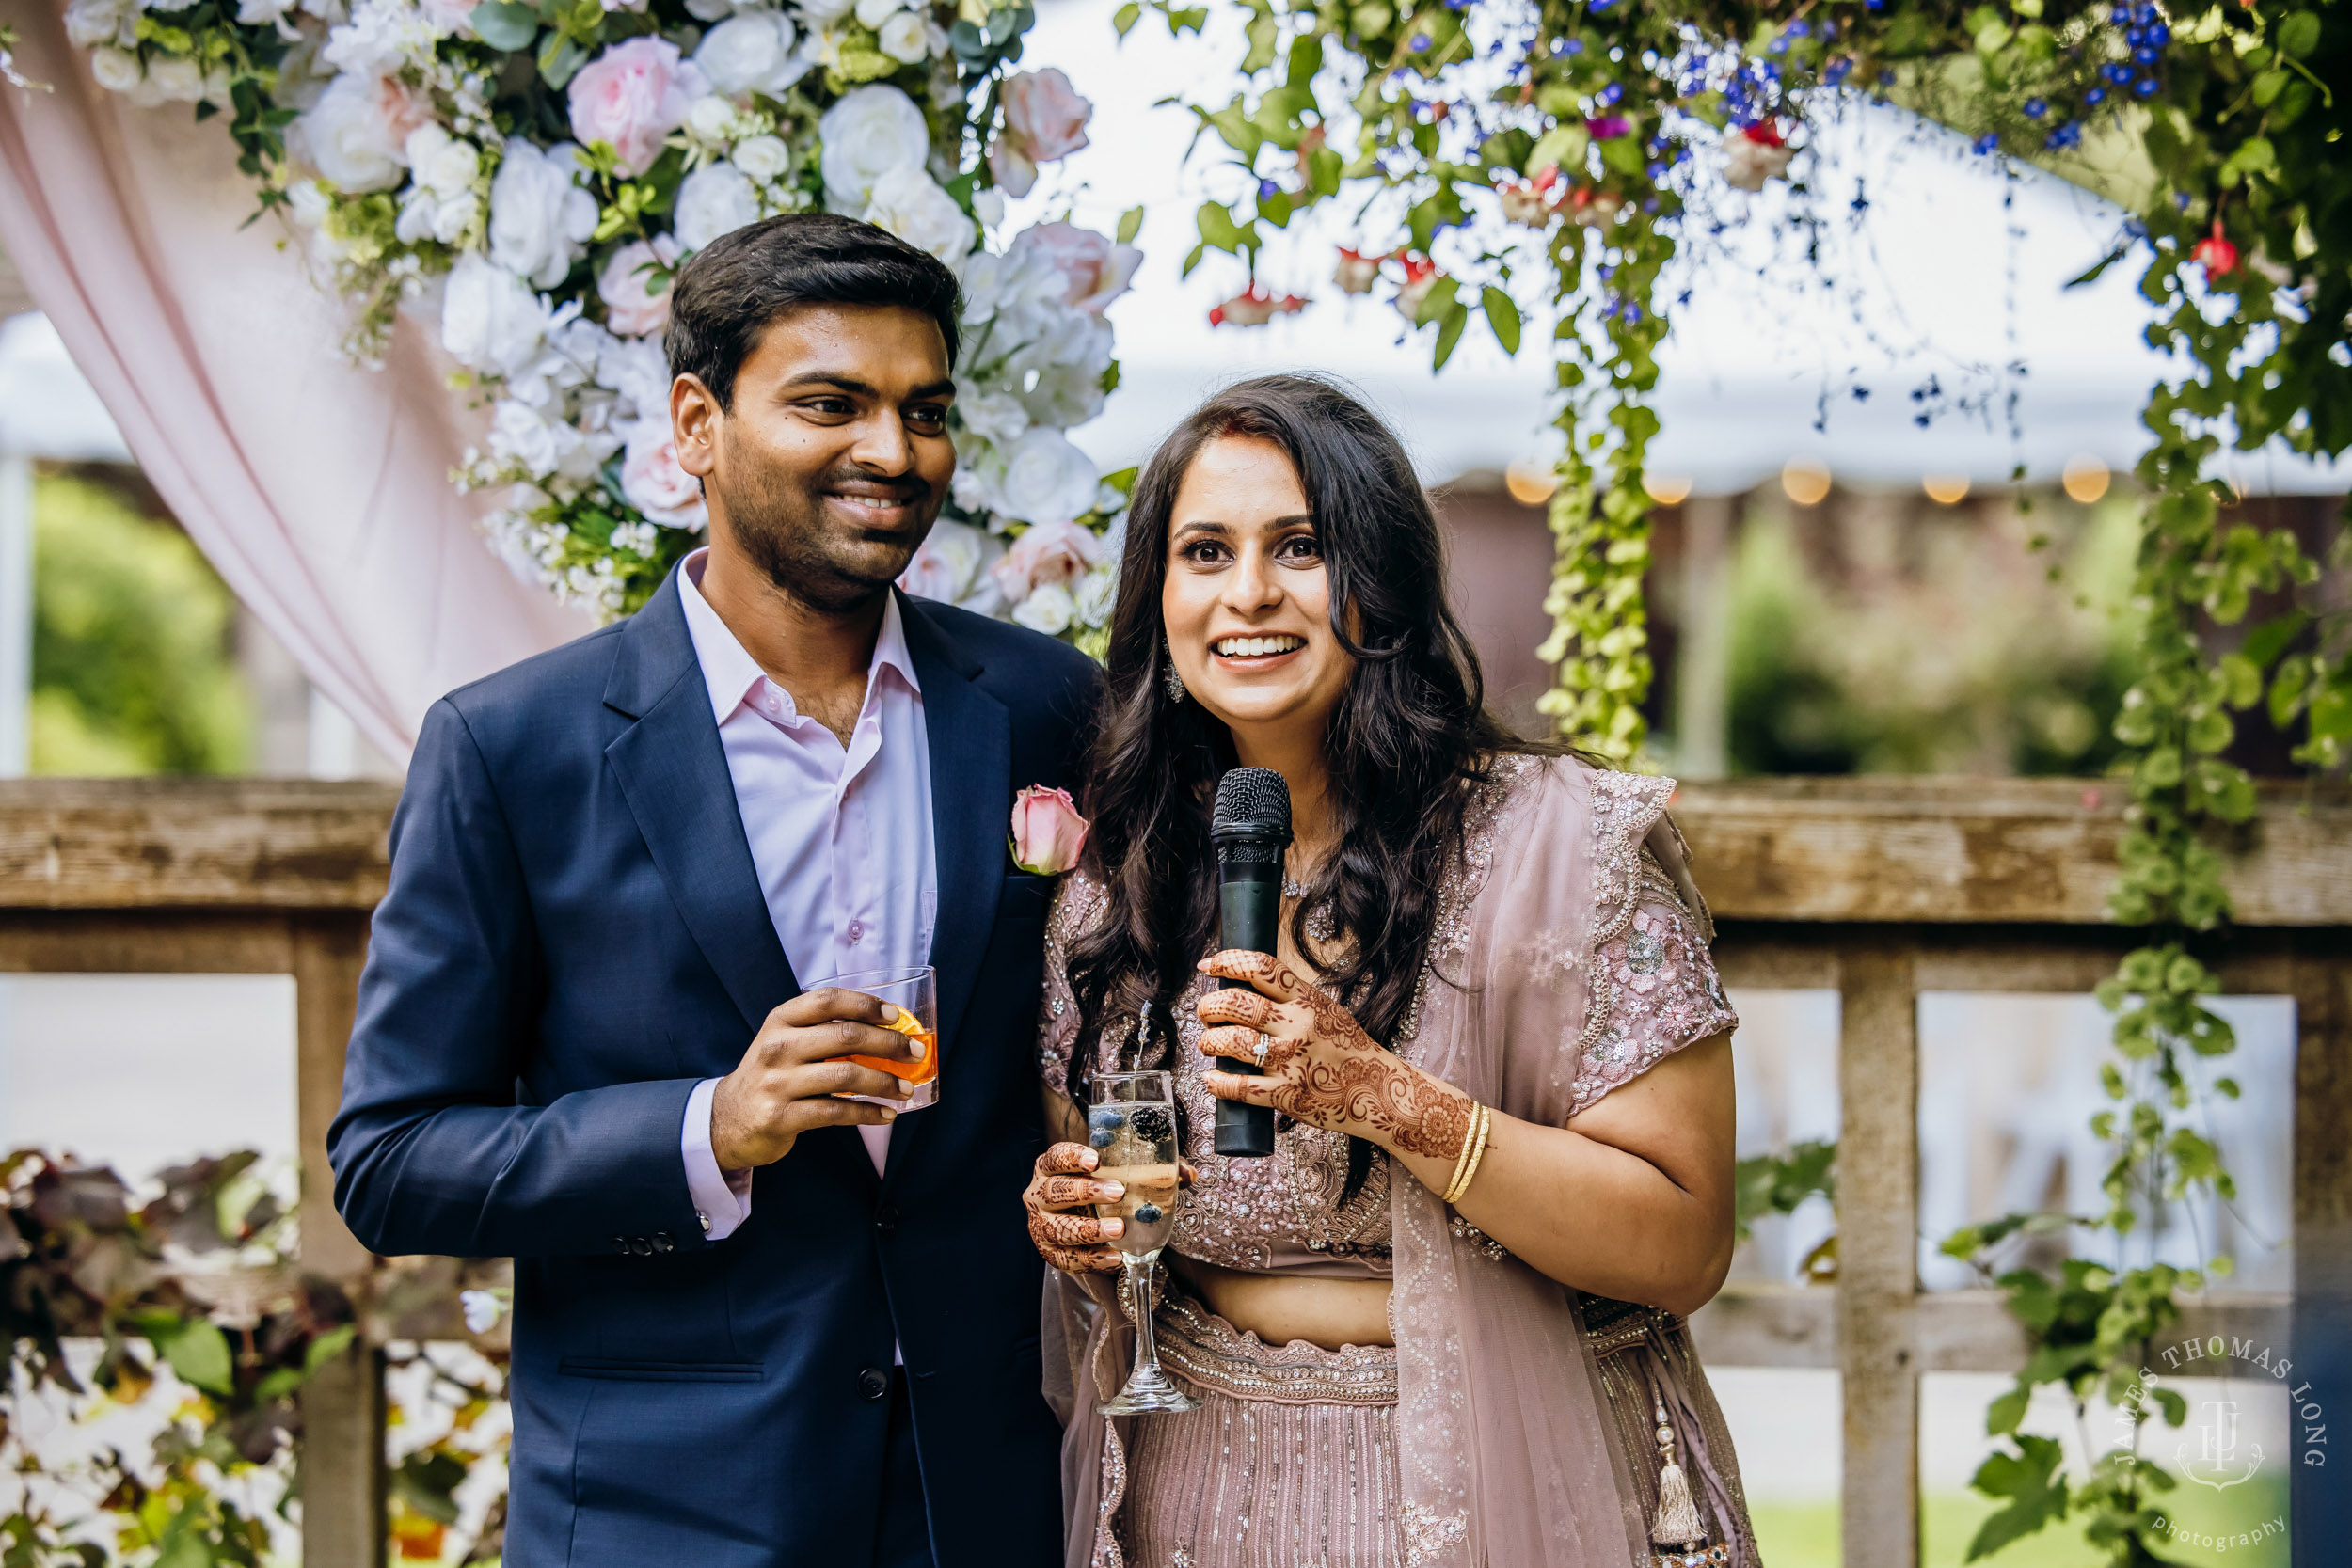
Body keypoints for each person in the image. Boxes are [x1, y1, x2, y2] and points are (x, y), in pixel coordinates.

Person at [330, 214, 1096, 1568]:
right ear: (697, 423)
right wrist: (710, 1126)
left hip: (991, 1493)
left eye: (924, 411)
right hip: (666, 1511)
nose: (893, 451)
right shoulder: (513, 748)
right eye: (830, 403)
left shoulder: (1045, 705)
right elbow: (390, 1161)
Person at [1022, 375, 1758, 1568]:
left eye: (1299, 545)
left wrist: (1381, 1096)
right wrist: (1076, 1218)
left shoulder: (1561, 850)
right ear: (1158, 602)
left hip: (1510, 1482)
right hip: (1207, 1497)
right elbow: (1096, 1164)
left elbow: (1682, 1244)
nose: (1248, 591)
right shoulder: (1119, 887)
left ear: (1384, 580)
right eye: (1204, 550)